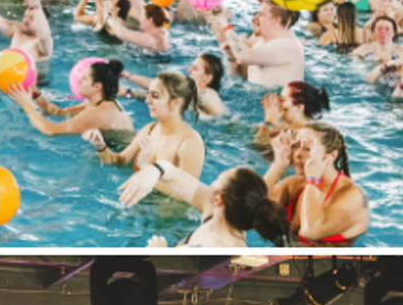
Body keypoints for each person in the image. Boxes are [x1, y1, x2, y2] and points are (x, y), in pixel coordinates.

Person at [121, 161, 296, 248]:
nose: (210, 184)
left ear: (219, 199)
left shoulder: (218, 249)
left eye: (218, 179)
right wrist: (155, 171)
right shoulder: (218, 211)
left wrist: (161, 253)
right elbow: (170, 171)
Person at [87, 70, 205, 183]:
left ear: (175, 103)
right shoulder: (150, 130)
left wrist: (145, 167)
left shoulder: (189, 143)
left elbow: (186, 192)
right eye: (148, 94)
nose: (147, 101)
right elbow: (119, 161)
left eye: (155, 96)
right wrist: (100, 145)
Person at [267, 122, 368, 245]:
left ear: (331, 156)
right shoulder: (295, 185)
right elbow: (253, 211)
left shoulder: (353, 197)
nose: (298, 154)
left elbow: (310, 231)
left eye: (308, 149)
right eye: (296, 146)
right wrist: (278, 166)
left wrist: (313, 179)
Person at [7, 58, 131, 139]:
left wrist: (26, 105)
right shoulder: (97, 103)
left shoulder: (97, 113)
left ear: (97, 87)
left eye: (84, 79)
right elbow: (56, 112)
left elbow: (50, 130)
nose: (79, 80)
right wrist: (34, 93)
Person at [212, 3, 305, 88]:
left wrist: (225, 25)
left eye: (261, 15)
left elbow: (243, 56)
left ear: (276, 20)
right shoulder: (265, 41)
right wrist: (231, 56)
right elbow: (237, 78)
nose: (255, 17)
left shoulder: (286, 46)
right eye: (257, 13)